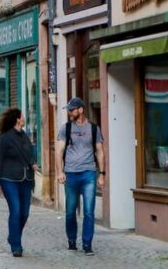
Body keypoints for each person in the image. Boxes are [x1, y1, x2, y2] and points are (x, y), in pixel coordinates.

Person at [56, 97, 105, 256]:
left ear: (81, 110)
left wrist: (102, 174)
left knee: (89, 211)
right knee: (70, 211)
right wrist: (60, 172)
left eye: (72, 109)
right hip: (70, 174)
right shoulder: (66, 128)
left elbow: (100, 152)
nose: (69, 112)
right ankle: (71, 240)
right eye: (69, 110)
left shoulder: (93, 129)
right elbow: (59, 151)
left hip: (89, 174)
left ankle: (87, 244)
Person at [0, 107, 37, 258]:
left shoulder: (25, 135)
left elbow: (30, 154)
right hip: (9, 178)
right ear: (17, 119)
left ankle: (13, 235)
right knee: (16, 211)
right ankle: (16, 245)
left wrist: (33, 163)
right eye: (22, 116)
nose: (24, 118)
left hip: (26, 179)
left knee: (24, 213)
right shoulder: (5, 138)